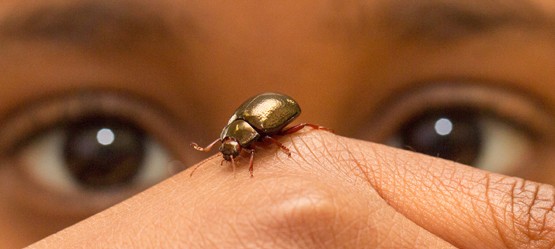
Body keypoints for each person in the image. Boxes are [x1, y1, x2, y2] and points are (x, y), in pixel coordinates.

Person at [1, 0, 554, 247]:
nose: (287, 214)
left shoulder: (263, 133)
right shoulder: (239, 134)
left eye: (453, 134)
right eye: (96, 159)